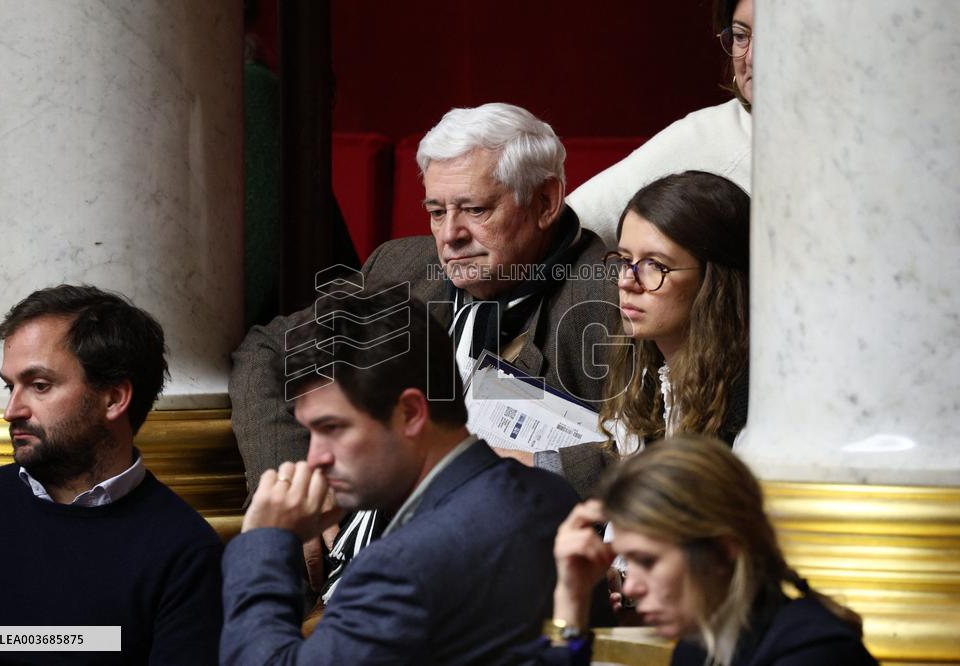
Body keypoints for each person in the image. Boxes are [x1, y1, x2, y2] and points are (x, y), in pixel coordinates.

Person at [229, 102, 618, 600]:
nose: (450, 235)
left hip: (489, 587)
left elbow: (673, 452)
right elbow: (265, 350)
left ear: (545, 202)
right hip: (339, 570)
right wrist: (297, 484)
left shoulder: (609, 299)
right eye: (437, 211)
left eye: (475, 210)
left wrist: (533, 465)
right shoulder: (401, 267)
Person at [220, 292, 584, 665]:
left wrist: (264, 543)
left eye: (331, 428)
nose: (315, 458)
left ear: (411, 413)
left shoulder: (399, 569)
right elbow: (568, 652)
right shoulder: (553, 497)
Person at [0, 285, 222, 666]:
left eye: (39, 386)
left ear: (114, 398)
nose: (11, 410)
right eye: (9, 386)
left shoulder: (185, 554)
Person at [543, 435, 878, 666]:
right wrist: (571, 598)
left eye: (648, 561)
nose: (631, 587)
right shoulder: (701, 645)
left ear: (723, 546)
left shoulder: (812, 654)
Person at [558, 171, 750, 495]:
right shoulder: (648, 374)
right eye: (624, 260)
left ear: (715, 281)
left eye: (655, 265)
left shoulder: (749, 405)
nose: (626, 282)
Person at [567, 0, 754, 247]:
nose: (751, 58)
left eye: (776, 36)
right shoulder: (708, 136)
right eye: (741, 36)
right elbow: (565, 234)